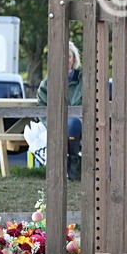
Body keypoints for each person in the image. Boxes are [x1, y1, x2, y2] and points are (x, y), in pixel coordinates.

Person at [36, 41, 84, 180]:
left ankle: (72, 167)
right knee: (63, 127)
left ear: (73, 59)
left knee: (73, 123)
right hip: (55, 123)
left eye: (68, 56)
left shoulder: (83, 79)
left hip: (80, 124)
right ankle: (63, 170)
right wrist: (50, 124)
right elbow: (41, 107)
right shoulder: (47, 83)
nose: (65, 60)